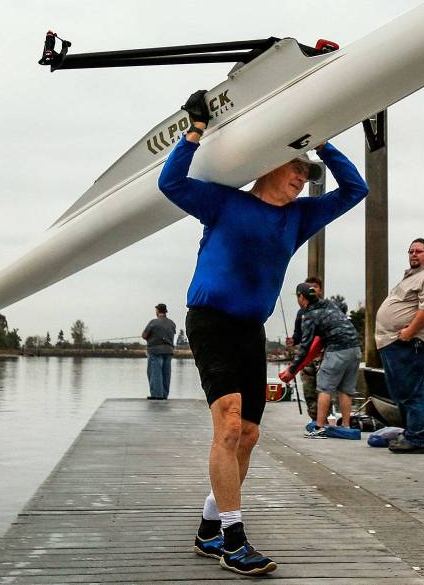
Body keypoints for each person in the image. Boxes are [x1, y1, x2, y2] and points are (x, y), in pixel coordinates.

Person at [158, 89, 368, 576]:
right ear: (269, 164)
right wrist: (195, 131)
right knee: (229, 424)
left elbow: (354, 190)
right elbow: (172, 182)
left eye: (307, 174)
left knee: (249, 434)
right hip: (211, 320)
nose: (301, 178)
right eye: (295, 168)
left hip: (250, 328)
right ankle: (234, 540)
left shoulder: (298, 218)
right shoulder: (224, 203)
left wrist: (323, 145)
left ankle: (209, 528)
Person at [374, 238, 424, 454]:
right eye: (411, 251)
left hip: (409, 343)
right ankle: (409, 434)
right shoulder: (412, 277)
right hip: (393, 342)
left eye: (419, 251)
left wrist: (409, 332)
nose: (414, 254)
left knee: (412, 392)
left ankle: (416, 438)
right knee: (401, 391)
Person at [282, 282, 362, 438]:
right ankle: (346, 426)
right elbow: (343, 306)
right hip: (355, 348)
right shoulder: (329, 304)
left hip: (337, 350)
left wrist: (291, 370)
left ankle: (319, 428)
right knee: (346, 389)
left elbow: (305, 347)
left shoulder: (310, 315)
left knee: (324, 388)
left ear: (301, 297)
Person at [285, 275, 323, 419]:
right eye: (309, 287)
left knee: (324, 389)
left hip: (323, 356)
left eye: (315, 287)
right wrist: (293, 340)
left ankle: (325, 420)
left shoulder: (325, 308)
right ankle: (314, 419)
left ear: (320, 290)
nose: (312, 289)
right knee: (308, 391)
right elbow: (298, 334)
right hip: (306, 357)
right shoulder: (301, 313)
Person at [141, 303, 176, 400]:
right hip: (168, 351)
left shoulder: (153, 322)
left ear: (157, 311)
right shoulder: (172, 323)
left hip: (155, 351)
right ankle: (164, 395)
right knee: (166, 373)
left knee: (155, 373)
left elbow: (144, 335)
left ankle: (157, 395)